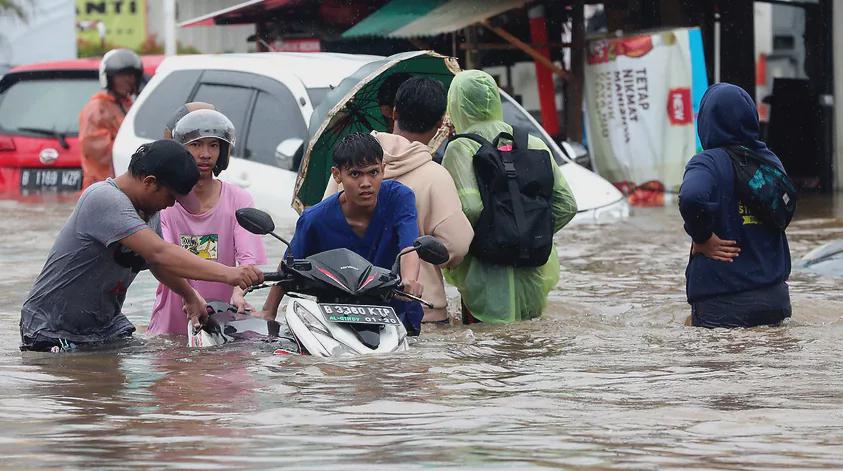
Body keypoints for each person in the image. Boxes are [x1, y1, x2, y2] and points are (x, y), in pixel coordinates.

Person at [19, 140, 264, 352]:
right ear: (149, 182)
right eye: (171, 197)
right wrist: (229, 274)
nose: (171, 206)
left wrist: (190, 296)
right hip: (52, 329)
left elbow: (157, 263)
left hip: (104, 327)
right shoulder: (103, 199)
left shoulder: (147, 211)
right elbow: (161, 252)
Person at [324, 77, 473, 324]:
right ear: (440, 125)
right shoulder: (436, 176)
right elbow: (457, 246)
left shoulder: (349, 166)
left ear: (394, 112)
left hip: (350, 308)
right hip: (420, 311)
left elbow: (326, 227)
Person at [441, 70, 578, 324]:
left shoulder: (460, 148)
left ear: (456, 104)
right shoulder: (532, 142)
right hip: (533, 273)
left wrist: (462, 248)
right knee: (531, 353)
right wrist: (528, 230)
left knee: (488, 356)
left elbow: (470, 208)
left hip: (486, 278)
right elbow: (568, 205)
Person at [261, 132, 425, 335]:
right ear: (337, 175)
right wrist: (268, 312)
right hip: (336, 320)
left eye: (373, 172)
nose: (366, 183)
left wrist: (409, 281)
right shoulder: (315, 219)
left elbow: (409, 247)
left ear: (383, 170)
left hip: (396, 315)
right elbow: (288, 267)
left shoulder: (400, 198)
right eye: (355, 174)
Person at [679, 83, 792, 328]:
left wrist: (702, 238)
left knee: (720, 366)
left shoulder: (707, 163)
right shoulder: (771, 163)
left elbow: (691, 197)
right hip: (775, 299)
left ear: (707, 121)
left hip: (723, 304)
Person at [148, 109, 267, 336]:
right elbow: (164, 260)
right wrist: (190, 296)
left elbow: (247, 260)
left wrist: (239, 292)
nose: (205, 154)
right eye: (196, 145)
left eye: (213, 145)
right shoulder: (165, 201)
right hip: (172, 321)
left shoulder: (239, 199)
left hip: (225, 319)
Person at [79, 48, 143, 189]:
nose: (128, 80)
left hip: (126, 183)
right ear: (109, 78)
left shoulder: (130, 105)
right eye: (122, 75)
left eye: (132, 75)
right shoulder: (97, 108)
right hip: (103, 185)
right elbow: (96, 153)